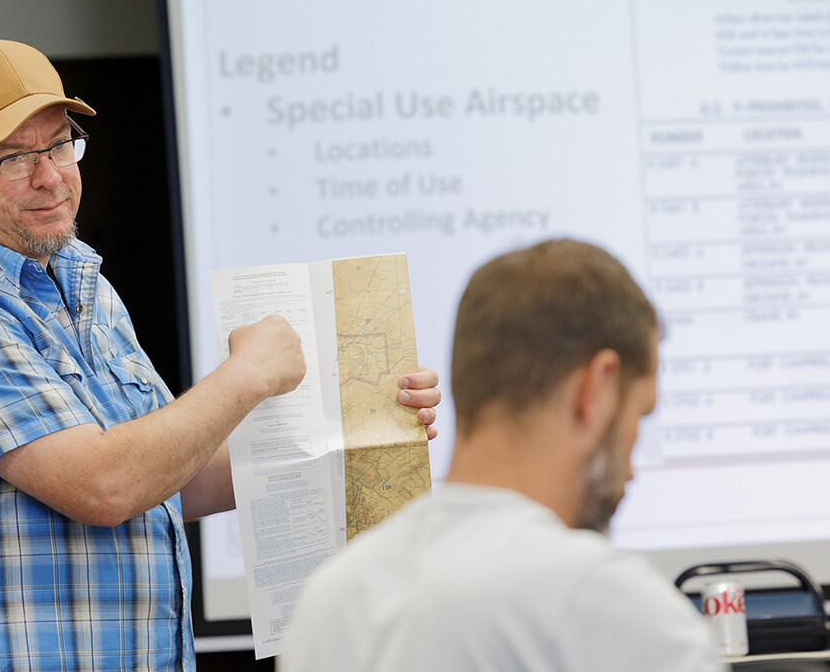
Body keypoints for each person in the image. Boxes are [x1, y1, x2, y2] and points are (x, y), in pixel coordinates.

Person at [0, 39, 439, 671]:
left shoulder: (85, 285)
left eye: (58, 144)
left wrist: (358, 427)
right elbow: (106, 485)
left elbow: (168, 481)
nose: (49, 175)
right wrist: (247, 376)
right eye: (13, 157)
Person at [279, 238, 724, 672]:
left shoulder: (328, 602)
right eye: (640, 414)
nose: (632, 470)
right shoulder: (604, 601)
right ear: (598, 390)